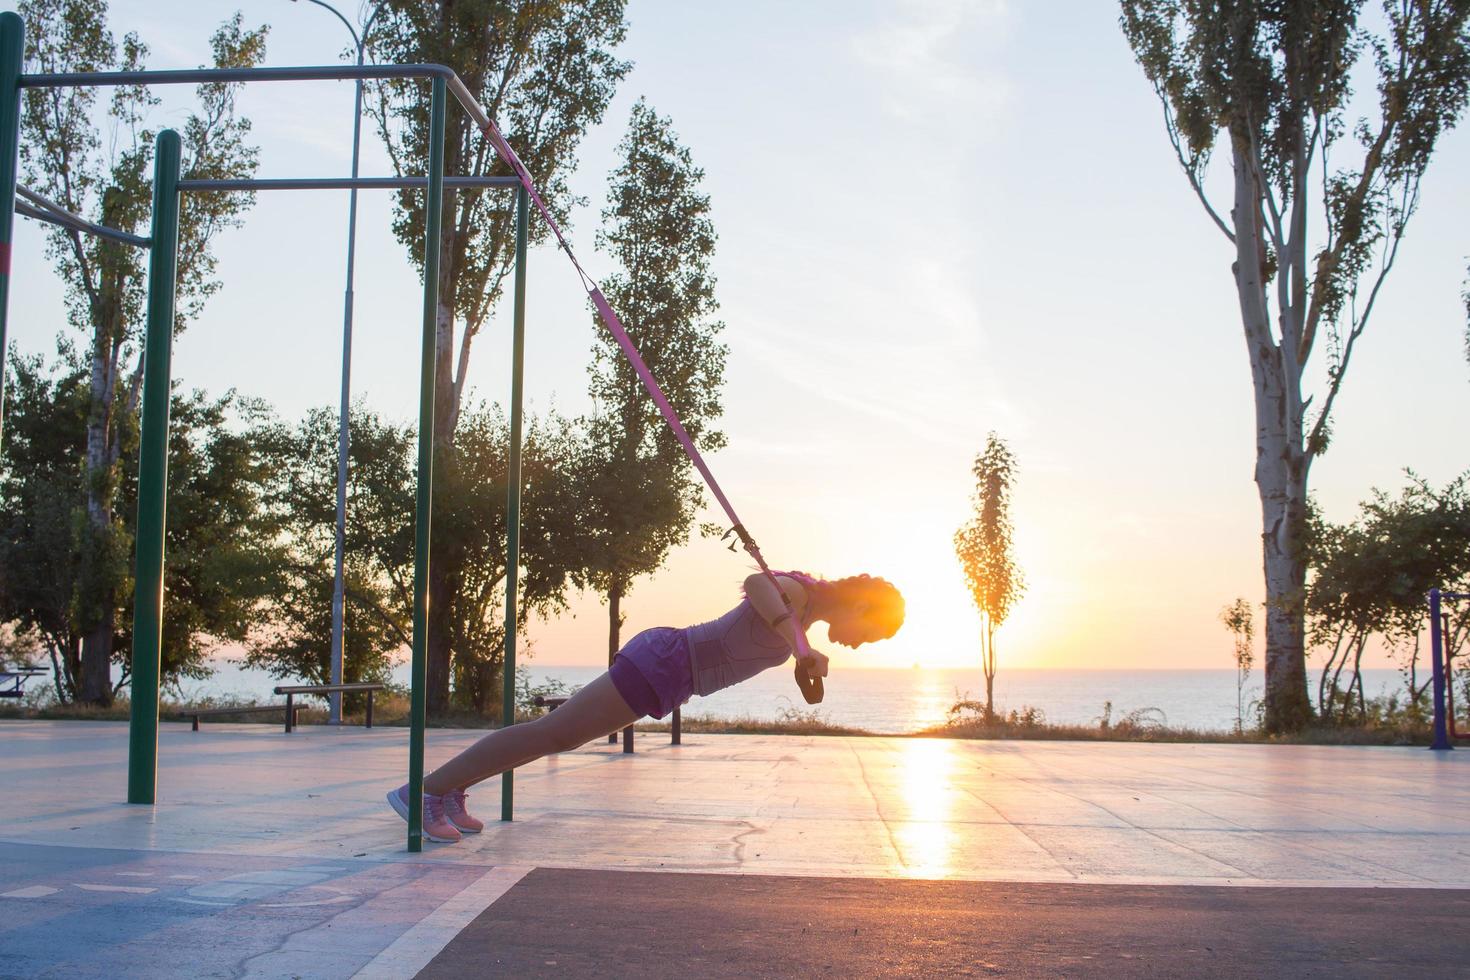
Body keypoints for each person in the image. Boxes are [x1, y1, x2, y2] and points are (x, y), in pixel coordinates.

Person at [387, 570, 905, 842]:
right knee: (554, 733)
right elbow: (757, 586)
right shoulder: (796, 593)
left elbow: (779, 630)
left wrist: (803, 653)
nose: (863, 643)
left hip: (668, 678)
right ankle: (426, 790)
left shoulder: (806, 621)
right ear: (863, 606)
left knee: (554, 734)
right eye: (872, 634)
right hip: (663, 662)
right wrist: (799, 648)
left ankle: (449, 791)